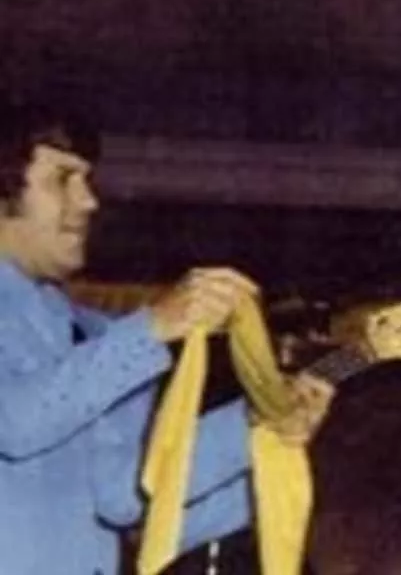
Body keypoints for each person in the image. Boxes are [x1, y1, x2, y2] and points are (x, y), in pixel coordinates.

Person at [0, 97, 264, 574]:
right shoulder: (127, 345)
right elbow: (15, 421)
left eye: (88, 180)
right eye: (63, 178)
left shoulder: (96, 336)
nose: (89, 201)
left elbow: (122, 498)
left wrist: (258, 428)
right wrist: (153, 326)